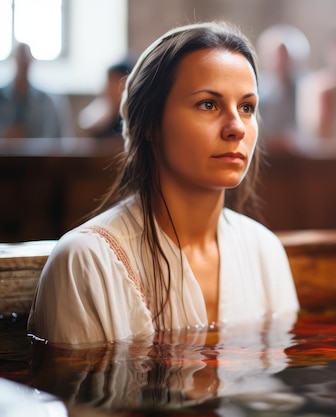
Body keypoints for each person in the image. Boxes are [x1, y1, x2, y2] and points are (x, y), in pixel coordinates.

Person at [27, 21, 300, 345]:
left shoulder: (264, 252)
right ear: (150, 125)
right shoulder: (87, 262)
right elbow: (73, 395)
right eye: (208, 104)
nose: (236, 128)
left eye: (246, 107)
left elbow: (272, 389)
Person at [256, 23, 310, 154]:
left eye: (285, 55)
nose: (281, 60)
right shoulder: (258, 89)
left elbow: (310, 130)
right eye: (277, 55)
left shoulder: (306, 89)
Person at [0, 42, 73, 138]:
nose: (23, 61)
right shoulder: (2, 97)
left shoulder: (45, 101)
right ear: (12, 59)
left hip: (37, 152)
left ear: (32, 61)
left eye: (26, 57)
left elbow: (55, 138)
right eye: (20, 57)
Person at [78, 58, 135, 138]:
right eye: (108, 82)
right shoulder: (106, 109)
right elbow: (87, 128)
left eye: (113, 82)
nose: (109, 88)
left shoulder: (133, 113)